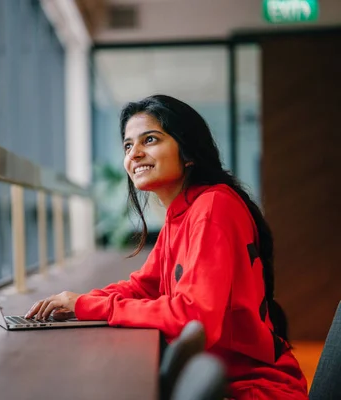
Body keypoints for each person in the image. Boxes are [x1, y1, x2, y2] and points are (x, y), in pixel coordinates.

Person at [25, 95, 308, 399]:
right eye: (128, 145)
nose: (135, 154)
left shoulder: (213, 207)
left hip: (254, 390)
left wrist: (90, 306)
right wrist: (77, 303)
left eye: (150, 139)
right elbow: (144, 286)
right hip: (227, 382)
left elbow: (196, 318)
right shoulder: (182, 213)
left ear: (188, 152)